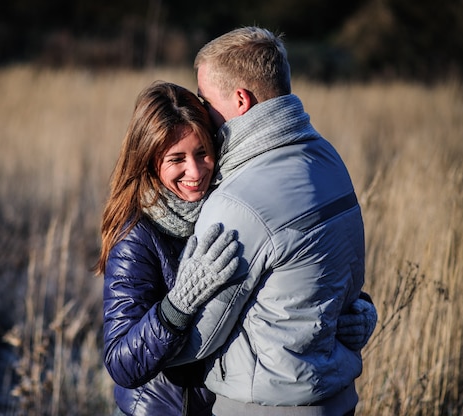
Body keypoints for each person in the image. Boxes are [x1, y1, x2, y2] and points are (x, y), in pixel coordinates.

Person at [96, 81, 377, 416]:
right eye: (176, 159)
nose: (196, 171)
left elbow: (278, 285)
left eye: (202, 153)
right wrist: (177, 305)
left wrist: (355, 308)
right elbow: (121, 364)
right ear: (149, 162)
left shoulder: (232, 207)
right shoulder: (137, 235)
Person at [169, 26, 375, 416]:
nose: (202, 114)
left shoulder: (239, 200)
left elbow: (198, 339)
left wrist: (151, 335)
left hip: (265, 403)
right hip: (338, 396)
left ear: (241, 100)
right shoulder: (328, 159)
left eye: (204, 101)